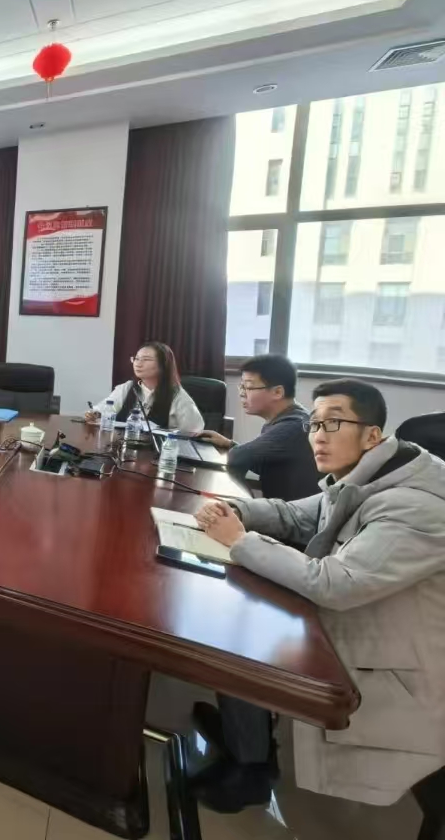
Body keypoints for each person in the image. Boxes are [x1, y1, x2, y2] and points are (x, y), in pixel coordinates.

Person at [191, 379, 445, 812]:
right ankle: (245, 736)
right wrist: (235, 511)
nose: (319, 436)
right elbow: (296, 515)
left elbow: (335, 585)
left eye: (334, 423)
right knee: (235, 616)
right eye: (314, 424)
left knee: (240, 637)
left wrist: (240, 540)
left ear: (372, 435)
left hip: (394, 657)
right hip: (363, 616)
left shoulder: (417, 505)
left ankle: (252, 769)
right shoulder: (371, 475)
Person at [197, 354, 319, 501]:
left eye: (248, 387)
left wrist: (235, 450)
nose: (242, 393)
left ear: (277, 392)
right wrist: (230, 444)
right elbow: (262, 463)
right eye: (241, 386)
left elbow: (238, 457)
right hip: (279, 508)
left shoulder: (294, 426)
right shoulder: (288, 418)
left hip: (290, 513)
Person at [85, 341, 204, 433]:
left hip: (156, 452)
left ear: (163, 365)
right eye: (136, 359)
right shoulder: (127, 387)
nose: (138, 363)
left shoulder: (177, 395)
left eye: (146, 359)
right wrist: (96, 413)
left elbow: (194, 431)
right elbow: (107, 407)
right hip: (122, 446)